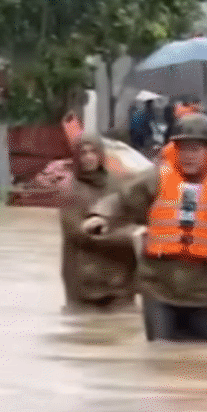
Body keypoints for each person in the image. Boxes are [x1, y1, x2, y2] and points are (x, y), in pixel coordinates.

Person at [82, 113, 207, 342]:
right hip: (159, 286)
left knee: (198, 360)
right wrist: (101, 216)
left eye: (195, 149)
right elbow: (121, 198)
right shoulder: (155, 179)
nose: (188, 155)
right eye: (183, 148)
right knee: (161, 357)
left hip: (205, 291)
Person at [59, 133, 138, 310]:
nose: (88, 157)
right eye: (83, 153)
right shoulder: (70, 190)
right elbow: (78, 234)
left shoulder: (117, 184)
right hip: (83, 281)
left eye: (93, 152)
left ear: (101, 155)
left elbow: (131, 217)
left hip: (119, 280)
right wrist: (128, 238)